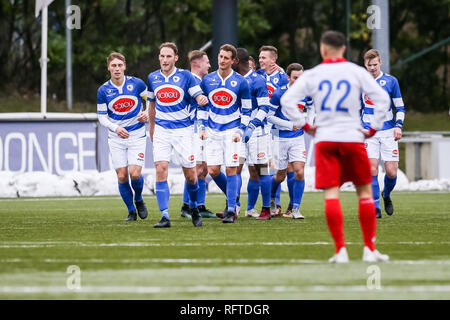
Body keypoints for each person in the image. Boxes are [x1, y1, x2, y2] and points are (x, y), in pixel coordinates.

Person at [281, 30, 391, 263]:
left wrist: (304, 125)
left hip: (325, 139)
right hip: (352, 137)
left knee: (332, 194)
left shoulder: (313, 74)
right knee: (363, 193)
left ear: (322, 50)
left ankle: (340, 251)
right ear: (343, 49)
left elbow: (287, 100)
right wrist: (373, 128)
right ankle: (369, 250)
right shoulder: (356, 72)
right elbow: (382, 99)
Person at [147, 42, 208, 228]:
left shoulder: (186, 76)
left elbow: (197, 95)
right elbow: (151, 105)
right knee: (160, 168)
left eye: (168, 56)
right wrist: (151, 128)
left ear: (175, 58)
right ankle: (164, 216)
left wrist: (201, 98)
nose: (164, 60)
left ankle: (195, 207)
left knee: (190, 175)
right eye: (162, 56)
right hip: (162, 130)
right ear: (159, 57)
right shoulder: (153, 77)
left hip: (183, 131)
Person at [198, 44, 252, 223]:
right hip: (212, 131)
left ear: (233, 61)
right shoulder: (207, 80)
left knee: (231, 169)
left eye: (226, 58)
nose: (222, 61)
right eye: (220, 57)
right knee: (213, 171)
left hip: (232, 131)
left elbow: (246, 110)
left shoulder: (241, 82)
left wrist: (240, 130)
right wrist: (202, 127)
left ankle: (230, 210)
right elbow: (202, 106)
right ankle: (234, 199)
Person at [97, 52, 149, 221]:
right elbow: (102, 117)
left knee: (134, 174)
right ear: (109, 68)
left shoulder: (137, 84)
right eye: (114, 66)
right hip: (116, 138)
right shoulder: (103, 90)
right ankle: (131, 211)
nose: (117, 69)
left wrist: (147, 112)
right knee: (121, 176)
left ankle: (139, 199)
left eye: (120, 65)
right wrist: (116, 127)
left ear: (125, 66)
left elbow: (151, 100)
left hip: (137, 134)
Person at [362, 49, 405, 219]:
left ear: (380, 62)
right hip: (368, 132)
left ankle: (385, 194)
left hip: (388, 131)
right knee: (371, 169)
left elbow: (400, 107)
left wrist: (398, 126)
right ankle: (375, 207)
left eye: (375, 64)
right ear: (365, 65)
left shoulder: (391, 81)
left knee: (391, 172)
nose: (372, 68)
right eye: (369, 65)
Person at [267, 63, 314, 220]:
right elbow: (269, 116)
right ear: (288, 77)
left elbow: (312, 107)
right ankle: (271, 198)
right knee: (280, 176)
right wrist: (289, 125)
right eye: (295, 78)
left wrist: (309, 121)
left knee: (299, 171)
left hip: (298, 138)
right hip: (280, 139)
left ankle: (295, 209)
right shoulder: (279, 93)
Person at [232, 47, 271, 220]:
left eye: (230, 60)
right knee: (236, 167)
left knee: (260, 170)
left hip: (257, 133)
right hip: (239, 132)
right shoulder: (233, 80)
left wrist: (253, 125)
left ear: (237, 62)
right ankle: (233, 207)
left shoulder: (257, 80)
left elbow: (265, 107)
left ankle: (265, 209)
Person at [180, 50, 216, 219]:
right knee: (196, 168)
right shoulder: (191, 81)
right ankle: (187, 206)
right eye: (206, 61)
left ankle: (199, 205)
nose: (209, 65)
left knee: (203, 170)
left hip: (201, 128)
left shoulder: (200, 81)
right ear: (197, 63)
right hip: (194, 129)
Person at [258, 45, 289, 216]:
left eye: (264, 57)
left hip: (275, 128)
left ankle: (277, 203)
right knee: (263, 167)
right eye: (260, 57)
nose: (260, 60)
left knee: (277, 168)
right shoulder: (258, 76)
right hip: (259, 128)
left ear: (273, 60)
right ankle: (266, 204)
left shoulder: (283, 78)